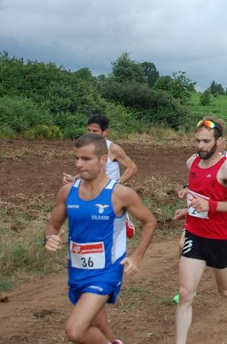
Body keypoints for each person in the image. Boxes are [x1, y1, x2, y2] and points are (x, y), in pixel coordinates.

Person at [44, 134, 157, 344]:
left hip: (107, 272)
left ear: (103, 160)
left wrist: (137, 257)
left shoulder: (120, 194)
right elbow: (53, 224)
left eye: (86, 159)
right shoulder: (67, 192)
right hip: (77, 271)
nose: (78, 164)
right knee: (97, 324)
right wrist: (49, 237)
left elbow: (149, 222)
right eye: (76, 158)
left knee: (75, 330)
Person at [174, 117, 227, 343]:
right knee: (185, 294)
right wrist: (188, 209)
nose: (200, 146)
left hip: (219, 237)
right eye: (198, 141)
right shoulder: (193, 163)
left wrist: (210, 206)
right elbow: (198, 193)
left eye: (206, 141)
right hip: (194, 234)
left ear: (218, 141)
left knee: (226, 290)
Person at [63, 114, 138, 239]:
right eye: (89, 130)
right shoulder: (88, 148)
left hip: (110, 195)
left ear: (105, 132)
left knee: (121, 233)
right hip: (92, 193)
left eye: (95, 131)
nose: (90, 133)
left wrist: (116, 184)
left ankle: (124, 222)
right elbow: (89, 170)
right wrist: (74, 178)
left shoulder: (113, 148)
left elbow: (132, 167)